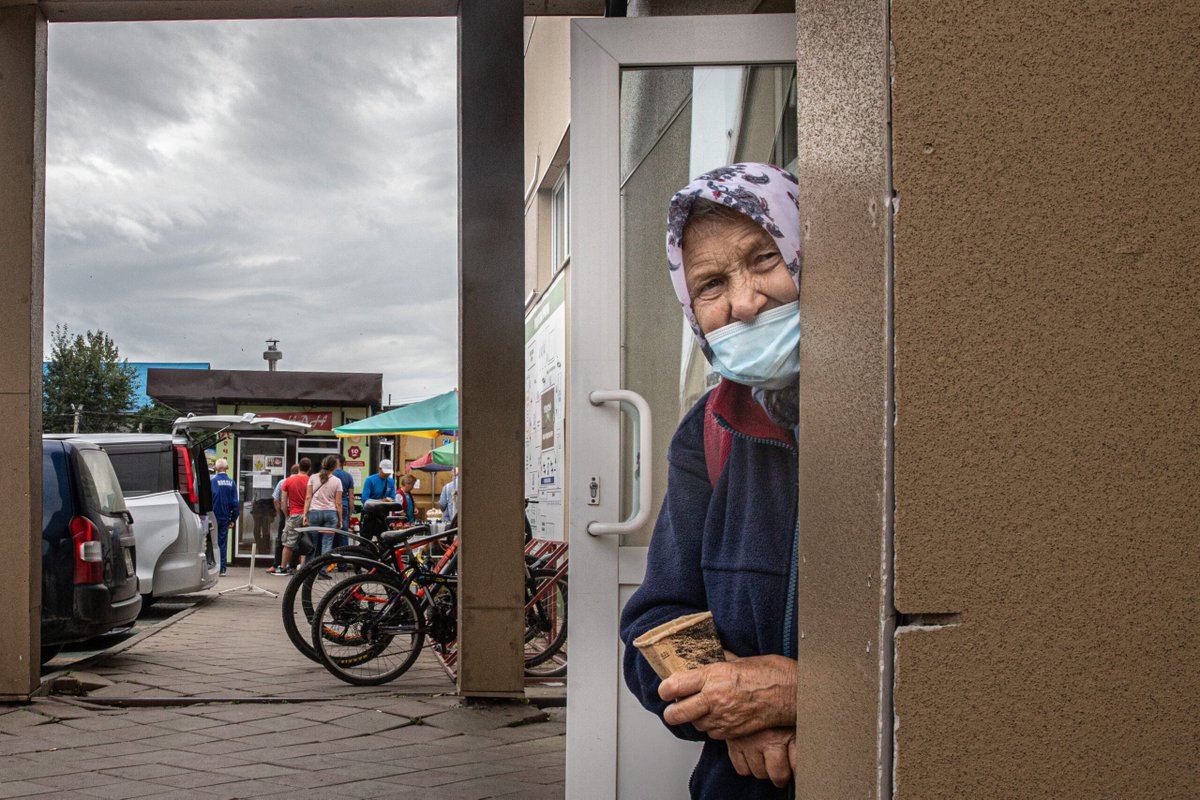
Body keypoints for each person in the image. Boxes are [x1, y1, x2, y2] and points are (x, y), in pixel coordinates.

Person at [619, 163, 801, 799]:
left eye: (765, 258)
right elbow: (655, 624)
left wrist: (805, 697)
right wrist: (730, 703)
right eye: (712, 284)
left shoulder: (906, 415)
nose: (746, 301)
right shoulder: (711, 428)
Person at [268, 457, 311, 575]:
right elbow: (310, 497)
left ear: (299, 468)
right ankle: (302, 567)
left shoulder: (287, 481)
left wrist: (287, 516)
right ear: (309, 468)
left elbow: (282, 502)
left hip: (294, 514)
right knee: (305, 541)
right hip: (308, 515)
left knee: (288, 543)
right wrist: (307, 513)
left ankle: (282, 567)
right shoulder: (310, 481)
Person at [304, 455, 343, 556]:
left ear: (322, 464)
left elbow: (308, 498)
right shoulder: (337, 481)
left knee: (312, 544)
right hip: (331, 514)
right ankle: (323, 570)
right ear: (334, 467)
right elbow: (338, 503)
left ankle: (310, 569)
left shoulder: (312, 478)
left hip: (314, 513)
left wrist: (305, 515)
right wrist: (340, 519)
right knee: (327, 543)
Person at [209, 458, 239, 576]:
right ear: (227, 468)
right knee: (222, 543)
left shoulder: (212, 482)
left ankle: (212, 567)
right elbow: (235, 503)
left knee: (211, 542)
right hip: (225, 517)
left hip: (212, 517)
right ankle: (222, 569)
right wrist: (233, 519)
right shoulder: (232, 483)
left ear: (216, 468)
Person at [272, 464, 298, 568]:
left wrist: (280, 512)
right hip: (296, 511)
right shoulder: (302, 481)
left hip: (285, 512)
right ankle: (293, 564)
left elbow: (275, 499)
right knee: (296, 538)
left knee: (281, 538)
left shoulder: (282, 482)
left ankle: (277, 564)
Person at [332, 454, 356, 547]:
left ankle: (332, 559)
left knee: (331, 533)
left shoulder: (331, 475)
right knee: (343, 533)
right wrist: (350, 514)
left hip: (332, 506)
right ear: (343, 463)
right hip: (344, 506)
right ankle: (343, 559)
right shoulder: (348, 476)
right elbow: (351, 497)